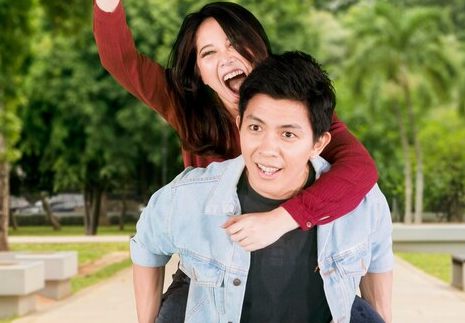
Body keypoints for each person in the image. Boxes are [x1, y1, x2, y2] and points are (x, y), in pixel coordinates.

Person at [90, 0, 379, 322]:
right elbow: (121, 59)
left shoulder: (299, 106)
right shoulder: (185, 104)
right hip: (207, 272)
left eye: (234, 44)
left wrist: (284, 218)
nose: (225, 59)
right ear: (199, 73)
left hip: (294, 259)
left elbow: (360, 172)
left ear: (259, 49)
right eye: (208, 53)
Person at [131, 51, 394, 323]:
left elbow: (378, 265)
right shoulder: (187, 197)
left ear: (318, 144)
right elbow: (146, 245)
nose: (267, 150)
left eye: (288, 134)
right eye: (256, 128)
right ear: (239, 125)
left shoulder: (364, 204)